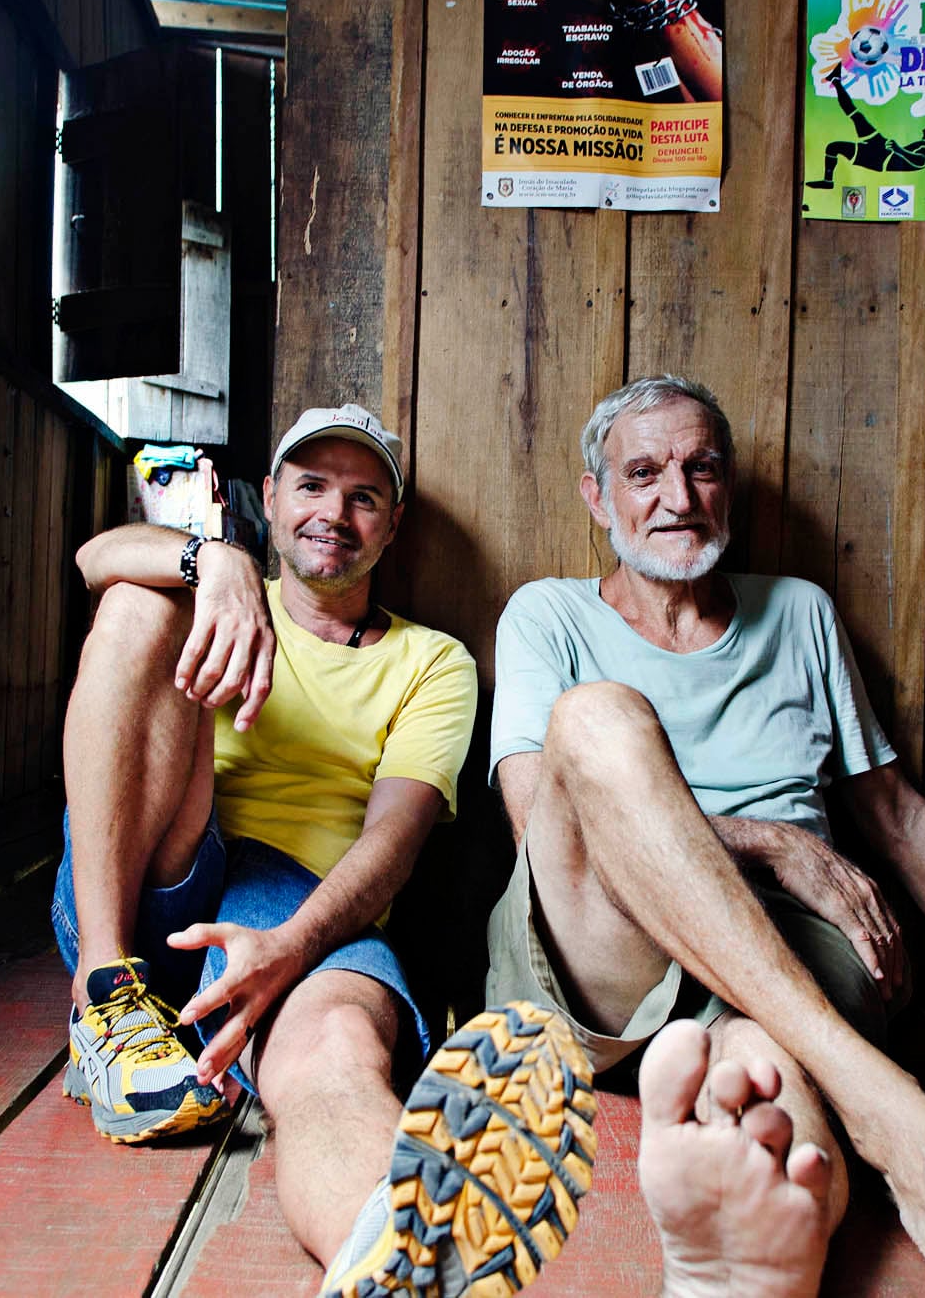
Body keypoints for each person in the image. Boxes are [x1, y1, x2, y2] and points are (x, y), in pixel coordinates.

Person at [486, 375, 925, 1297]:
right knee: (597, 717)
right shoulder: (548, 614)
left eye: (702, 468)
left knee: (762, 1069)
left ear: (728, 486)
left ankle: (763, 1261)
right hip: (602, 947)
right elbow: (536, 818)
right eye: (644, 472)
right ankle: (893, 1113)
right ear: (598, 496)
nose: (678, 496)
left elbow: (894, 814)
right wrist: (776, 843)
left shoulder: (801, 612)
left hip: (791, 946)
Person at [51, 403, 594, 1298]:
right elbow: (94, 558)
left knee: (337, 1048)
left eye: (363, 497)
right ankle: (103, 996)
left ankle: (397, 1261)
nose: (333, 514)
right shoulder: (216, 590)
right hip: (153, 875)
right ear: (269, 497)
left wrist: (291, 946)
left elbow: (393, 842)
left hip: (298, 915)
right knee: (139, 604)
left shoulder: (433, 662)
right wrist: (214, 561)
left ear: (393, 523)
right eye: (311, 486)